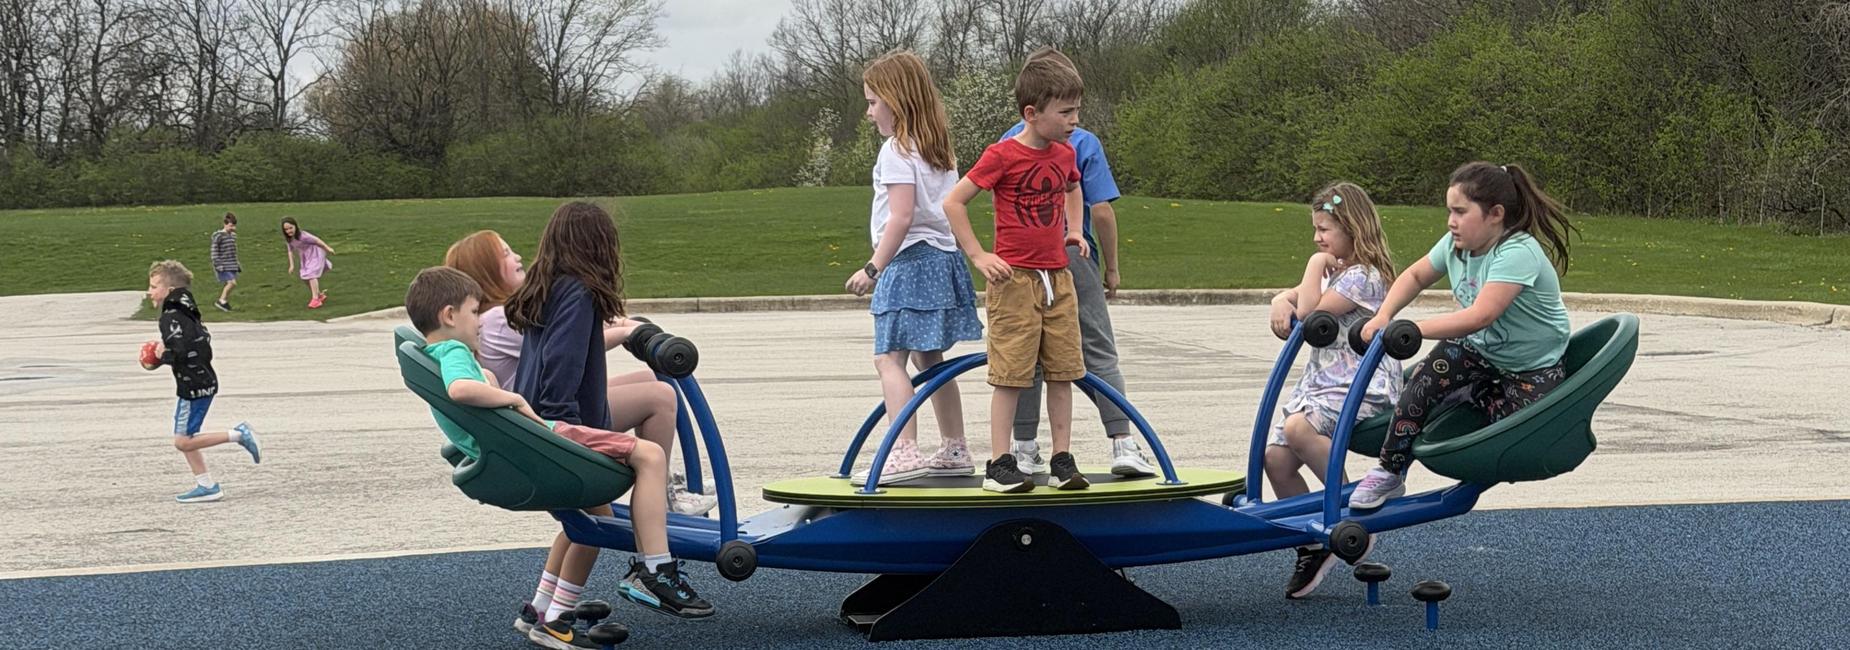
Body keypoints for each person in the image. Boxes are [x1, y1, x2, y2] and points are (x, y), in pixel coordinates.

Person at [406, 266, 713, 650]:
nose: (479, 322)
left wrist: (488, 378)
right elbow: (459, 389)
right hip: (548, 441)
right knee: (647, 458)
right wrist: (512, 397)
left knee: (590, 519)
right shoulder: (452, 350)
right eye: (473, 312)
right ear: (449, 316)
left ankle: (542, 610)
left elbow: (467, 385)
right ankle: (650, 572)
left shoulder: (437, 351)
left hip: (531, 444)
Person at [505, 202, 715, 644]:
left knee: (657, 391)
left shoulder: (549, 287)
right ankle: (652, 566)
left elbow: (564, 351)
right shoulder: (580, 292)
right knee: (626, 484)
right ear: (599, 246)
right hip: (558, 426)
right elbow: (560, 366)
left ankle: (542, 610)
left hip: (541, 422)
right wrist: (574, 436)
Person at [1349, 162, 1577, 510]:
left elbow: (1480, 316)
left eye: (1460, 211)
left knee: (1509, 433)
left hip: (1531, 367)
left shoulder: (1517, 253)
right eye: (1449, 211)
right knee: (1422, 384)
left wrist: (1413, 330)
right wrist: (1384, 315)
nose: (1450, 221)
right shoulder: (1455, 245)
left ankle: (1473, 395)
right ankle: (1389, 470)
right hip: (1479, 352)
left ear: (1495, 214)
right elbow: (1415, 276)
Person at [443, 230, 714, 515]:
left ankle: (665, 479)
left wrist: (621, 323)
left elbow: (576, 331)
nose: (518, 256)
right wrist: (627, 332)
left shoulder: (502, 314)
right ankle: (661, 495)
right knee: (659, 397)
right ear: (486, 270)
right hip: (541, 416)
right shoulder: (499, 319)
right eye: (506, 253)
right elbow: (571, 342)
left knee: (650, 379)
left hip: (537, 402)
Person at [997, 48, 1154, 477]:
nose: (1074, 118)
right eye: (1068, 108)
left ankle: (1024, 447)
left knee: (1024, 358)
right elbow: (1100, 209)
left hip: (1020, 260)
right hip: (1071, 255)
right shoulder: (1081, 144)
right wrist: (1113, 267)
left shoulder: (1009, 140)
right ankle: (1122, 440)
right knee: (1097, 349)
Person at [942, 51, 1092, 494]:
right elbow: (953, 202)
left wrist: (1075, 228)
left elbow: (1073, 186)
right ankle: (999, 463)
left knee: (1064, 370)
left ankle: (1062, 458)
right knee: (1011, 374)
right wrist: (978, 255)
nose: (1074, 120)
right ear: (1032, 112)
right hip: (1013, 280)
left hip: (1057, 279)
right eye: (1065, 112)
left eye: (1076, 110)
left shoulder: (1064, 154)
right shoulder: (1002, 155)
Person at [844, 50, 984, 486]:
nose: (869, 114)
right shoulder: (936, 146)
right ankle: (955, 446)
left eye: (872, 102)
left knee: (888, 359)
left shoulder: (896, 150)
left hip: (908, 264)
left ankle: (902, 449)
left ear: (895, 100)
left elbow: (900, 217)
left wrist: (872, 268)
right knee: (931, 361)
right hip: (942, 260)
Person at [1261, 182, 1404, 598]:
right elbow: (1298, 301)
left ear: (1353, 228)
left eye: (1324, 230)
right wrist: (1278, 298)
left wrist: (1312, 264)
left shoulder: (1364, 276)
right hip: (1324, 387)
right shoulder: (1341, 274)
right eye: (1316, 230)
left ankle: (1341, 516)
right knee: (1276, 460)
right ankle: (1313, 546)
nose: (1317, 238)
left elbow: (1309, 313)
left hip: (1361, 386)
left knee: (1298, 430)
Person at [143, 260, 260, 503]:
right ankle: (207, 485)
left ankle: (239, 434)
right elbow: (201, 343)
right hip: (202, 380)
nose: (150, 291)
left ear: (170, 290)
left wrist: (158, 357)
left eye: (154, 286)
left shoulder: (170, 317)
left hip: (192, 387)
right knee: (187, 435)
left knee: (183, 441)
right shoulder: (188, 312)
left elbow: (182, 350)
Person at [280, 217, 333, 309]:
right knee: (304, 277)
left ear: (295, 226)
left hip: (315, 253)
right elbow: (290, 251)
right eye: (286, 229)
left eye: (290, 228)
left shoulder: (303, 236)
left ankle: (315, 299)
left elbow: (317, 241)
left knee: (311, 275)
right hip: (306, 256)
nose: (289, 231)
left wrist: (327, 248)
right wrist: (291, 265)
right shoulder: (289, 240)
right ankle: (319, 295)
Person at [209, 213, 240, 312]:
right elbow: (214, 251)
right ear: (225, 224)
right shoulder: (219, 236)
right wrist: (217, 264)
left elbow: (233, 252)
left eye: (234, 226)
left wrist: (237, 264)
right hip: (222, 265)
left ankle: (224, 301)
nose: (232, 228)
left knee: (231, 283)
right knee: (232, 283)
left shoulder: (233, 236)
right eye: (230, 226)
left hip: (231, 264)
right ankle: (221, 300)